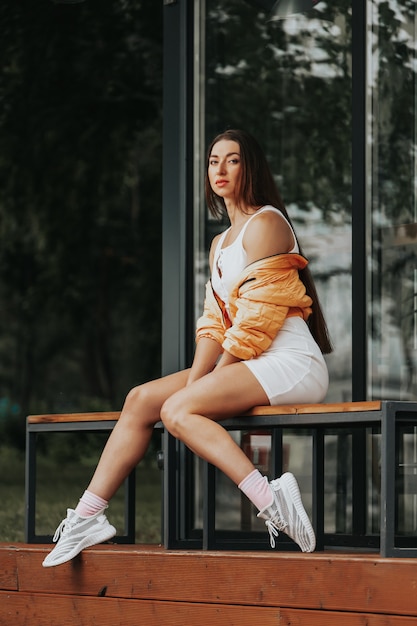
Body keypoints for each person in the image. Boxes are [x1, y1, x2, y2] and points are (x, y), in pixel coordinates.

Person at [42, 129, 332, 568]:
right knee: (141, 400)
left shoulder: (267, 223)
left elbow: (258, 320)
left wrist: (194, 393)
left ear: (249, 167)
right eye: (213, 160)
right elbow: (214, 325)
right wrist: (197, 383)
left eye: (232, 160)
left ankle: (272, 499)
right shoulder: (220, 244)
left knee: (177, 411)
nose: (220, 169)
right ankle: (88, 516)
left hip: (289, 361)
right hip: (251, 359)